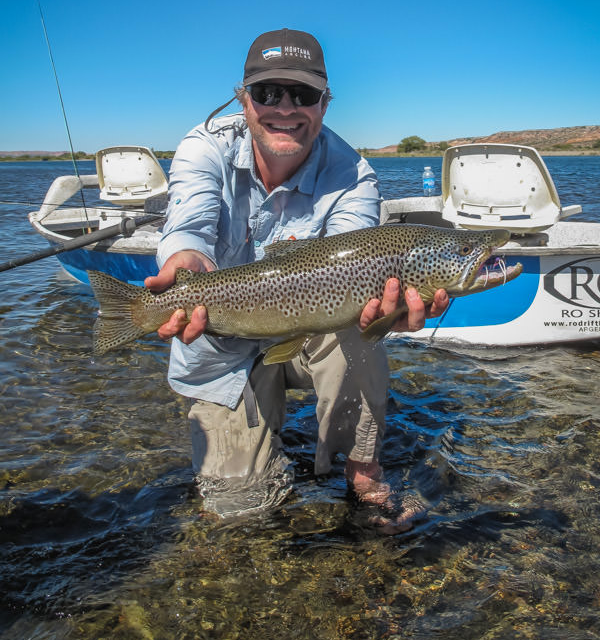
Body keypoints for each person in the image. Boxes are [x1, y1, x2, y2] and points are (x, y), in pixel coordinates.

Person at [146, 28, 448, 529]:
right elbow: (190, 224)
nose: (285, 108)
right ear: (243, 100)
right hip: (221, 346)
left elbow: (362, 259)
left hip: (309, 337)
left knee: (360, 314)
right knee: (239, 510)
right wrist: (185, 261)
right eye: (267, 93)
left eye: (303, 95)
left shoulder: (354, 174)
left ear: (324, 104)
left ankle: (363, 468)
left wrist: (386, 311)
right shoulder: (203, 148)